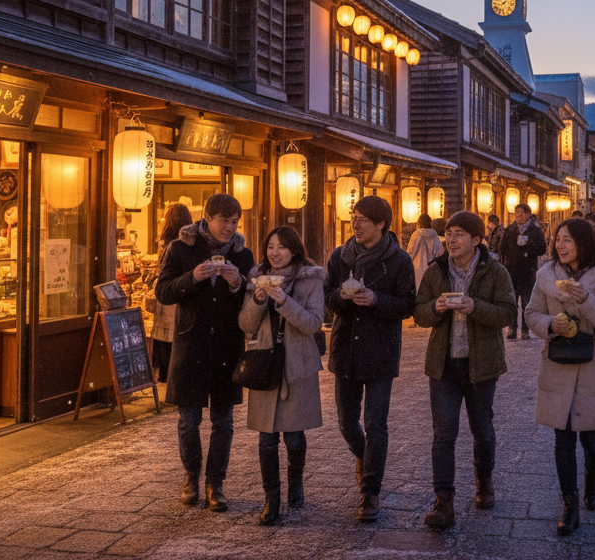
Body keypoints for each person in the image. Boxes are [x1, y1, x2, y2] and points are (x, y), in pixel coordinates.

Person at [412, 211, 517, 528]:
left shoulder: (495, 272)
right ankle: (444, 500)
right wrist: (435, 307)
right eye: (449, 233)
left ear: (476, 239)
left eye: (459, 234)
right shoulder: (436, 271)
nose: (452, 239)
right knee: (443, 434)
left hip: (481, 364)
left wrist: (476, 307)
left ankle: (484, 481)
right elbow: (419, 313)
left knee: (482, 430)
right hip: (443, 365)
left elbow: (508, 312)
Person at [526, 218, 595, 537]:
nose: (560, 245)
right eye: (558, 239)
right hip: (559, 362)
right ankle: (569, 506)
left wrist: (586, 299)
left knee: (592, 441)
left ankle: (593, 478)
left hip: (594, 364)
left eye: (567, 239)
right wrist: (550, 324)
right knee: (563, 440)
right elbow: (531, 314)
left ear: (583, 242)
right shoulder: (546, 275)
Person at [155, 194, 255, 510]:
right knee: (188, 420)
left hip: (227, 345)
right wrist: (193, 277)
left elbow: (253, 300)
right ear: (207, 218)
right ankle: (191, 476)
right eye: (224, 220)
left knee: (223, 421)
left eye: (235, 222)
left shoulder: (242, 254)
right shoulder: (181, 248)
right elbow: (163, 292)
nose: (230, 228)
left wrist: (238, 282)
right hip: (191, 344)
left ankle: (215, 484)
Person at [325, 195, 416, 521]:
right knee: (347, 422)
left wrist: (376, 299)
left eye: (363, 219)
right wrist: (343, 296)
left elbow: (408, 305)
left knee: (376, 424)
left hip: (380, 350)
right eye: (354, 217)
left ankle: (370, 492)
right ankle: (365, 457)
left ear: (381, 224)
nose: (356, 224)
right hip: (346, 349)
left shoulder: (399, 260)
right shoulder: (340, 256)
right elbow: (327, 300)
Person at [239, 226, 325, 526]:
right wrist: (258, 300)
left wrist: (284, 300)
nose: (275, 253)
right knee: (266, 439)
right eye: (270, 247)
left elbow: (313, 324)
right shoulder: (257, 278)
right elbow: (245, 324)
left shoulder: (311, 280)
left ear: (294, 250)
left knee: (294, 438)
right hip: (264, 365)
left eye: (282, 247)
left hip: (297, 366)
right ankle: (271, 499)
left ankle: (295, 482)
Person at [149, 203, 193, 383]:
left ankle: (166, 374)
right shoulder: (189, 243)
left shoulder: (167, 243)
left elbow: (162, 270)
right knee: (176, 336)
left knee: (166, 336)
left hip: (169, 294)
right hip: (180, 293)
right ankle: (175, 374)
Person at [498, 203, 548, 340]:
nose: (519, 216)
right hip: (512, 271)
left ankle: (525, 330)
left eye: (521, 213)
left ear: (528, 214)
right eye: (517, 213)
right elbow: (502, 249)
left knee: (527, 303)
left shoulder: (535, 231)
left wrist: (529, 245)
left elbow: (542, 249)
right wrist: (502, 266)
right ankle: (512, 329)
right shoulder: (510, 229)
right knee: (512, 302)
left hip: (528, 271)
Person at [406, 214, 443, 286]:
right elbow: (439, 253)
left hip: (417, 271)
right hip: (432, 270)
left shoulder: (416, 235)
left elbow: (410, 254)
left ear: (419, 223)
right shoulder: (435, 235)